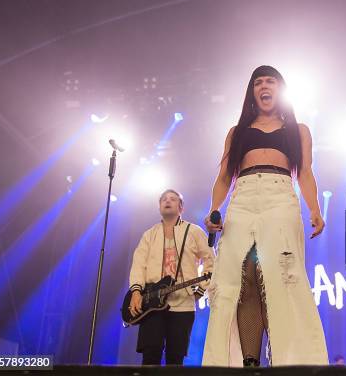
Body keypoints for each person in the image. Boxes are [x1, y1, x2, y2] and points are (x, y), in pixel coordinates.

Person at [201, 65, 328, 367]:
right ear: (252, 92)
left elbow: (306, 173)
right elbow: (223, 177)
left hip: (280, 195)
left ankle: (287, 361)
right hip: (243, 197)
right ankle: (247, 360)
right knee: (240, 275)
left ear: (280, 90)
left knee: (279, 276)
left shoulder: (298, 130)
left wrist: (315, 210)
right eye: (258, 82)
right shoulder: (237, 132)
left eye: (270, 81)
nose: (263, 86)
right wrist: (214, 210)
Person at [128, 189, 214, 365]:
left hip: (183, 306)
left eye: (173, 199)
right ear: (159, 206)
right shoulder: (149, 234)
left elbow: (212, 262)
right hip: (152, 304)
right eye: (164, 199)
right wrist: (136, 292)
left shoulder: (193, 231)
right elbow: (138, 265)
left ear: (181, 207)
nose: (168, 201)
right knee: (150, 356)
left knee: (175, 360)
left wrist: (199, 291)